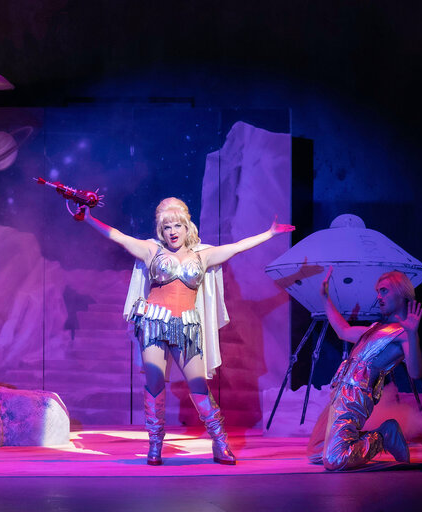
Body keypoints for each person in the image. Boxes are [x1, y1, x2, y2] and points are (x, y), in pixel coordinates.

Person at [83, 197, 294, 465]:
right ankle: (155, 444)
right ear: (161, 230)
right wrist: (88, 218)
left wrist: (270, 233)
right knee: (154, 383)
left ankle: (219, 442)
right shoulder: (151, 250)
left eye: (177, 226)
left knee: (198, 385)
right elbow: (119, 237)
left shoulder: (202, 256)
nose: (172, 231)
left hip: (187, 327)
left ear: (187, 227)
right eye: (167, 227)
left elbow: (237, 247)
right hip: (154, 323)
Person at [307, 268, 422, 470]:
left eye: (384, 290)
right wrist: (325, 298)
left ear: (401, 293)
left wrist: (413, 334)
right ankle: (351, 440)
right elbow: (343, 331)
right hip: (340, 392)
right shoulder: (376, 328)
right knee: (316, 451)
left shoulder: (403, 333)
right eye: (378, 292)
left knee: (334, 460)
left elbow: (415, 372)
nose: (379, 297)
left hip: (355, 395)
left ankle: (384, 435)